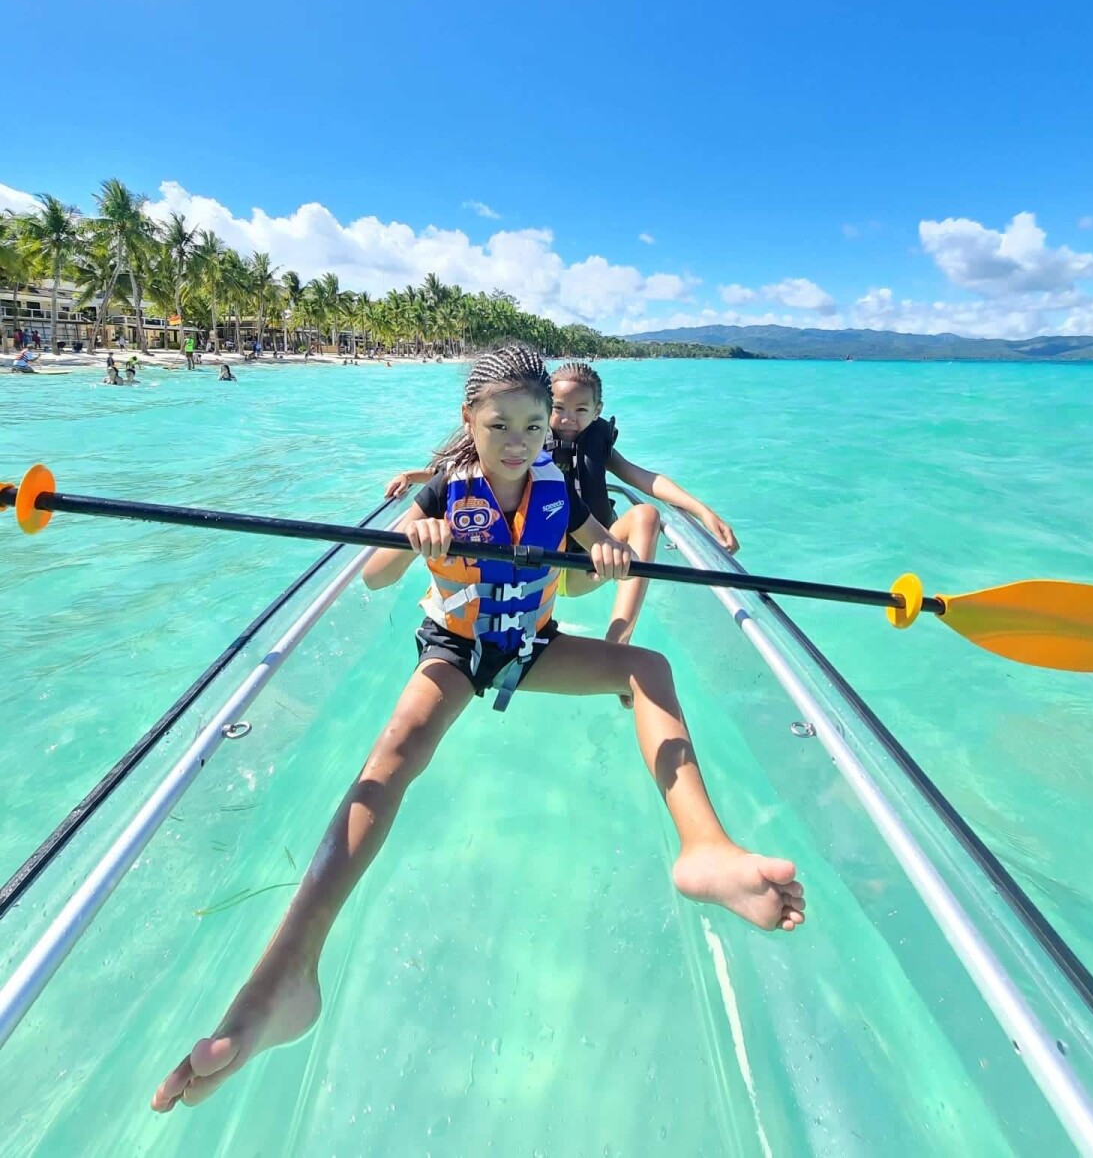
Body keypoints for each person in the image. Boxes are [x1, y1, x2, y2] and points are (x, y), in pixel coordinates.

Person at [151, 344, 804, 1115]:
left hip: (531, 644)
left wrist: (605, 552)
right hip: (457, 649)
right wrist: (407, 545)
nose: (521, 440)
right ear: (470, 421)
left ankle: (704, 848)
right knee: (390, 759)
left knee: (647, 669)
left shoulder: (557, 483)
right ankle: (285, 973)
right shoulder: (440, 493)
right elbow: (371, 579)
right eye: (502, 425)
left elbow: (597, 545)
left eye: (533, 425)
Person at [388, 360, 739, 647]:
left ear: (598, 411)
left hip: (590, 563)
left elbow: (645, 478)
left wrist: (702, 510)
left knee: (647, 515)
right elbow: (460, 471)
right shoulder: (527, 442)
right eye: (559, 409)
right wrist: (411, 476)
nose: (568, 419)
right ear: (545, 407)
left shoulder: (595, 443)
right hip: (540, 571)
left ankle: (619, 637)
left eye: (581, 409)